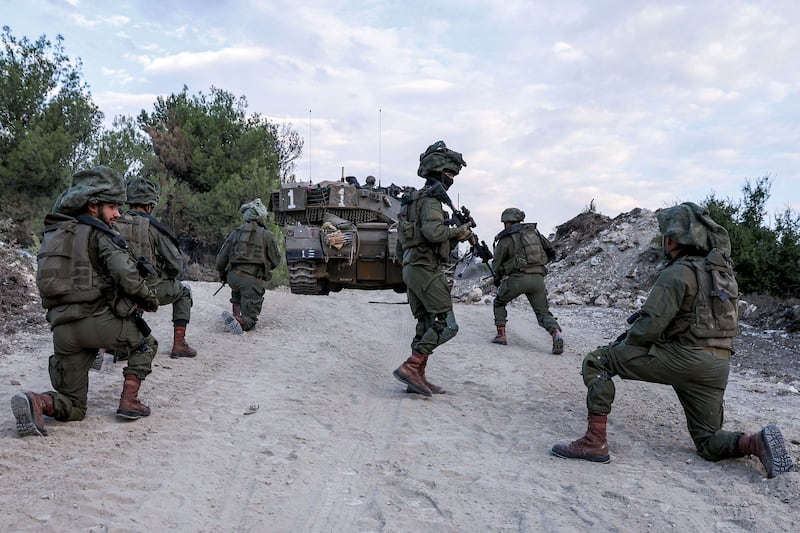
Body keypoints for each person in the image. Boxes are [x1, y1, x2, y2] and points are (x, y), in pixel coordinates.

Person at [551, 202, 797, 478]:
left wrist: (623, 346)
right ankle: (754, 442)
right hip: (718, 366)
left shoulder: (678, 273)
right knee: (707, 441)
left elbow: (649, 327)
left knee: (598, 361)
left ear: (673, 239)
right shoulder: (722, 273)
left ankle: (595, 442)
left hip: (683, 359)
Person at [11, 166, 160, 437]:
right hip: (97, 322)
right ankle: (130, 401)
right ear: (93, 206)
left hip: (63, 330)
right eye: (113, 206)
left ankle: (38, 402)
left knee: (75, 405)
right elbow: (125, 273)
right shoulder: (99, 234)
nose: (117, 213)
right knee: (146, 344)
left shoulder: (55, 234)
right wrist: (149, 299)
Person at [392, 140, 474, 397]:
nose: (452, 179)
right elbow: (433, 231)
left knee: (426, 322)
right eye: (449, 174)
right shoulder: (431, 201)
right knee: (446, 324)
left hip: (411, 267)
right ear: (438, 172)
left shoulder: (411, 201)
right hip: (425, 267)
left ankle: (417, 376)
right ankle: (411, 366)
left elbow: (402, 242)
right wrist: (460, 231)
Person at [114, 176, 197, 359]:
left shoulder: (114, 224)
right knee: (184, 292)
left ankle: (122, 347)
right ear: (149, 206)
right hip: (148, 288)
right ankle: (179, 344)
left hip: (119, 291)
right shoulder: (152, 227)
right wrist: (164, 274)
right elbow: (175, 263)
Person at [491, 207, 563, 353]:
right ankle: (556, 333)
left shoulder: (506, 239)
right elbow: (550, 251)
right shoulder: (534, 233)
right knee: (543, 313)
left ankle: (501, 335)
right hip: (538, 279)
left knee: (499, 301)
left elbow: (497, 264)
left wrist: (497, 278)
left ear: (507, 222)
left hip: (518, 279)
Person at [215, 198, 281, 333]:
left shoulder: (236, 232)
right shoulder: (267, 235)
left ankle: (236, 314)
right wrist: (265, 268)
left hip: (233, 277)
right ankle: (240, 321)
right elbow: (276, 260)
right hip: (251, 280)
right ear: (261, 217)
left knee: (238, 292)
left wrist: (223, 274)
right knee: (250, 320)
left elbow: (221, 259)